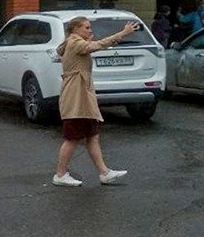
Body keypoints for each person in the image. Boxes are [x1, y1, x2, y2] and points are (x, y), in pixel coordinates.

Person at [52, 16, 139, 186]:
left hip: (83, 97)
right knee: (72, 138)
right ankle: (60, 174)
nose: (90, 30)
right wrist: (123, 33)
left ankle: (104, 173)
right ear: (75, 29)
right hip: (75, 98)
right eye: (86, 27)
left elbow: (91, 46)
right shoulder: (74, 42)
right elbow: (98, 45)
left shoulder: (76, 42)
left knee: (93, 136)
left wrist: (90, 40)